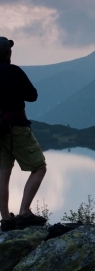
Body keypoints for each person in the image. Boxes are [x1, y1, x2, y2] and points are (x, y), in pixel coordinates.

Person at [0, 37, 47, 231]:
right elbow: (32, 95)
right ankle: (24, 213)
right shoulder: (13, 71)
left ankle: (6, 219)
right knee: (39, 167)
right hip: (16, 128)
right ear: (8, 53)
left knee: (3, 172)